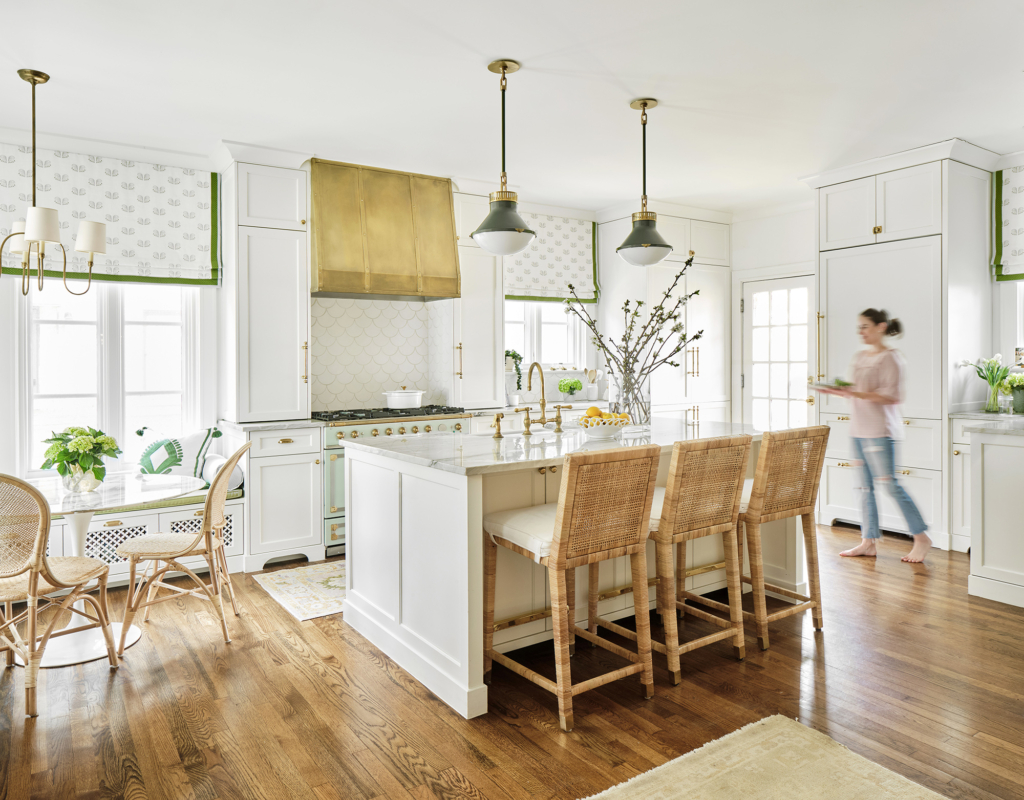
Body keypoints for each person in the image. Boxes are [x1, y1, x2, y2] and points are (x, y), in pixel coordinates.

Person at [817, 309, 932, 563]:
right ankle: (868, 542)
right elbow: (856, 391)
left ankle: (921, 538)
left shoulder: (891, 358)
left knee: (890, 485)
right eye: (859, 327)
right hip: (858, 430)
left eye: (865, 326)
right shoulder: (860, 357)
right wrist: (836, 391)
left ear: (881, 327)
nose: (861, 332)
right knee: (864, 488)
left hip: (880, 432)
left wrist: (857, 394)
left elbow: (893, 396)